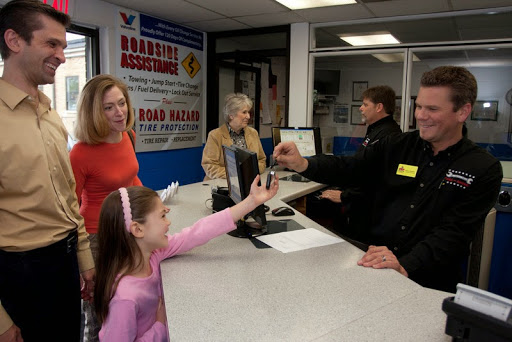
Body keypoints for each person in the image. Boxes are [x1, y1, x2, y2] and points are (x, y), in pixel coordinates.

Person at [273, 66, 502, 292]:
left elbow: (452, 234)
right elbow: (352, 167)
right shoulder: (398, 145)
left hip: (428, 280)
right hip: (375, 261)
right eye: (419, 106)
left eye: (432, 108)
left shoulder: (481, 168)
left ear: (462, 111)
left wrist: (405, 265)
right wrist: (303, 163)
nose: (421, 116)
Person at [0, 1, 95, 341]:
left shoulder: (51, 115)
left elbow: (69, 199)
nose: (61, 55)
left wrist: (84, 259)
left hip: (64, 263)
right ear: (14, 41)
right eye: (51, 44)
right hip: (18, 274)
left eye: (64, 46)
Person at [94, 175, 279, 341]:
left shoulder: (152, 254)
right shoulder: (124, 298)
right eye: (163, 216)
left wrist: (251, 202)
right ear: (138, 229)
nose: (169, 222)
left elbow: (196, 233)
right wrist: (159, 325)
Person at [70, 74, 143, 342]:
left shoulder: (129, 137)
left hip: (126, 232)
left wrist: (150, 205)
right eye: (108, 107)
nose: (119, 112)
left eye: (121, 103)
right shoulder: (80, 152)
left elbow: (131, 178)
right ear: (93, 113)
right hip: (96, 238)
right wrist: (81, 259)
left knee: (124, 305)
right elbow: (69, 206)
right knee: (98, 312)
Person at [318, 86, 401, 242]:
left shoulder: (388, 136)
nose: (361, 109)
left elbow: (376, 180)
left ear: (379, 107)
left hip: (371, 216)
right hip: (362, 207)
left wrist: (344, 196)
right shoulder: (376, 130)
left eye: (365, 104)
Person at [201, 93, 266, 180]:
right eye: (244, 112)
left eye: (248, 112)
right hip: (222, 184)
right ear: (231, 115)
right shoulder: (215, 135)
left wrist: (251, 171)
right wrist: (237, 174)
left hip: (250, 183)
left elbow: (262, 160)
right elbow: (209, 165)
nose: (248, 116)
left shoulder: (253, 133)